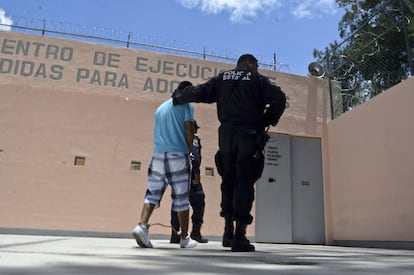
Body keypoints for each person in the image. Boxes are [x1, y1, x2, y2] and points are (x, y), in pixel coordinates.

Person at [173, 54, 286, 252]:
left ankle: (228, 232)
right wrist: (268, 120)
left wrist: (178, 97)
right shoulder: (258, 80)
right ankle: (239, 237)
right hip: (249, 134)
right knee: (245, 180)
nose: (257, 69)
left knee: (228, 180)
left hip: (226, 135)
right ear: (250, 63)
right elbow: (279, 98)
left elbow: (200, 91)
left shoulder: (222, 78)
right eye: (256, 65)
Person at [132, 81, 197, 249]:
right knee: (181, 197)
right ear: (187, 92)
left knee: (152, 193)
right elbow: (189, 129)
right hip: (178, 154)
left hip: (158, 155)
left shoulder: (160, 108)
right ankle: (184, 238)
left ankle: (142, 226)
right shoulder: (186, 104)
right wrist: (188, 151)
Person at [170, 120, 208, 244]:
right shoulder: (193, 139)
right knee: (199, 203)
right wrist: (196, 174)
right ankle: (195, 232)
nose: (196, 131)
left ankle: (175, 234)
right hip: (190, 177)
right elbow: (194, 157)